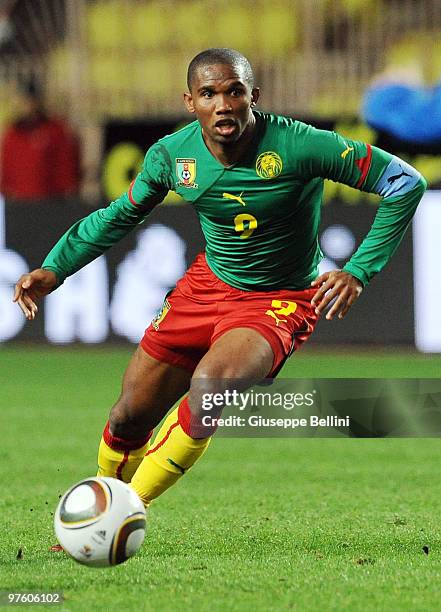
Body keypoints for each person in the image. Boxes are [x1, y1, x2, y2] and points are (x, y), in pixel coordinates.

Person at [14, 48, 426, 515]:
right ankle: (100, 500)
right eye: (209, 93)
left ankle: (121, 512)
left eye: (234, 91)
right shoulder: (172, 155)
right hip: (206, 288)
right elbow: (119, 215)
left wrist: (358, 270)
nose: (223, 104)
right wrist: (55, 267)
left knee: (211, 387)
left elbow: (404, 183)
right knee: (129, 414)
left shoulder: (302, 145)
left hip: (280, 297)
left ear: (254, 96)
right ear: (190, 102)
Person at [0, 79, 80, 201]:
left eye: (31, 101)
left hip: (49, 201)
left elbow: (65, 166)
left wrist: (66, 192)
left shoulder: (55, 130)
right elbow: (7, 169)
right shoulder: (13, 134)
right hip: (19, 202)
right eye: (25, 101)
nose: (28, 105)